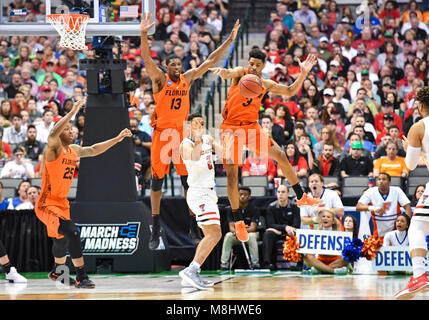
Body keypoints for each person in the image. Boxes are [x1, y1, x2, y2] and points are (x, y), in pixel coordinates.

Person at [141, 13, 241, 250]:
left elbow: (210, 60)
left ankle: (193, 221)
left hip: (180, 136)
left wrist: (228, 40)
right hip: (162, 135)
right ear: (166, 67)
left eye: (179, 63)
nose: (177, 66)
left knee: (189, 181)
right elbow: (146, 58)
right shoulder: (159, 80)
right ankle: (155, 224)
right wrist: (144, 35)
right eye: (173, 64)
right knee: (157, 182)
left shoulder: (187, 78)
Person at [209, 49, 322, 242]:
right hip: (230, 128)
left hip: (252, 127)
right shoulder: (240, 74)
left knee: (280, 155)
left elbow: (290, 91)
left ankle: (301, 195)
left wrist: (303, 73)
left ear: (263, 66)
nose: (252, 67)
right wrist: (223, 72)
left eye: (257, 64)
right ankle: (238, 222)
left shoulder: (265, 83)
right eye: (251, 63)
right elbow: (230, 72)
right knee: (231, 177)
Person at [34, 98, 132, 289]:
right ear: (60, 132)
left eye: (73, 129)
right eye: (68, 129)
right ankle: (81, 276)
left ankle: (57, 272)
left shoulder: (73, 150)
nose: (72, 131)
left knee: (60, 240)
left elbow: (94, 150)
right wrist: (73, 111)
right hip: (47, 203)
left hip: (62, 203)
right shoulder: (53, 148)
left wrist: (117, 139)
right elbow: (53, 132)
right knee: (72, 232)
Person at [178, 113, 232, 289]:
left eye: (201, 123)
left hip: (210, 193)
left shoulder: (208, 139)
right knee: (214, 233)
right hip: (198, 193)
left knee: (214, 233)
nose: (199, 126)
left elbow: (225, 154)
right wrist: (199, 140)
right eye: (195, 124)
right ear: (188, 127)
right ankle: (192, 270)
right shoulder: (185, 144)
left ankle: (192, 271)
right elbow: (193, 157)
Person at [395, 86, 429, 299]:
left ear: (419, 105)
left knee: (416, 226)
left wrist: (410, 149)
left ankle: (419, 275)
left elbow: (410, 165)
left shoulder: (418, 127)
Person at [356, 172, 412, 240]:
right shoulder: (371, 191)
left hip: (395, 231)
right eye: (379, 179)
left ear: (389, 183)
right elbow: (358, 206)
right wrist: (373, 208)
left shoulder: (397, 190)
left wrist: (406, 223)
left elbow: (408, 207)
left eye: (384, 179)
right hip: (379, 234)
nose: (381, 181)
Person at [220, 186, 261, 270]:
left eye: (245, 194)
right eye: (240, 194)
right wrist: (237, 232)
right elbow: (231, 227)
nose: (242, 196)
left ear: (249, 196)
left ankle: (255, 264)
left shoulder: (254, 209)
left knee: (253, 237)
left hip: (249, 234)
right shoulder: (232, 209)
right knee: (228, 236)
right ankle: (224, 265)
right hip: (236, 235)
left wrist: (242, 232)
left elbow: (253, 228)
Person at [262, 185, 300, 270]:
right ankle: (268, 263)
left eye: (283, 192)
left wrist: (282, 231)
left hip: (289, 232)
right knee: (268, 234)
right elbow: (270, 224)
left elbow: (296, 225)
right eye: (278, 192)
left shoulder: (295, 207)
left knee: (297, 233)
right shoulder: (271, 207)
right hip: (277, 232)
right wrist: (284, 227)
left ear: (288, 194)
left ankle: (297, 263)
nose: (280, 194)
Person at [302, 208, 351, 275]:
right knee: (307, 257)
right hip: (320, 261)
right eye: (323, 216)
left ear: (333, 221)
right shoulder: (316, 232)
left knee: (347, 258)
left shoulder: (339, 232)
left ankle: (320, 269)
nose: (325, 218)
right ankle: (333, 271)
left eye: (328, 217)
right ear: (320, 219)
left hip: (335, 261)